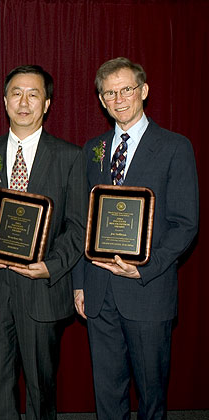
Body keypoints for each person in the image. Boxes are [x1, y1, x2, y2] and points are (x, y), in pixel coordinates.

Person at [73, 57, 199, 420]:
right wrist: (79, 284)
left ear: (143, 91)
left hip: (148, 291)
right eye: (109, 92)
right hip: (98, 292)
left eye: (126, 89)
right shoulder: (92, 149)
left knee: (151, 396)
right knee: (107, 397)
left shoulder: (175, 147)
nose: (119, 98)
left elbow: (185, 223)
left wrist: (145, 268)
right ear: (101, 100)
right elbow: (84, 221)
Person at [0, 65, 86, 420]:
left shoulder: (69, 157)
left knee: (41, 387)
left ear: (46, 104)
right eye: (16, 93)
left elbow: (77, 226)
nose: (24, 102)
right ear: (4, 101)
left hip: (42, 291)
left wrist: (51, 266)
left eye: (33, 94)